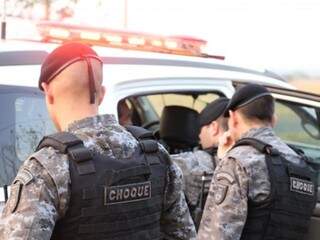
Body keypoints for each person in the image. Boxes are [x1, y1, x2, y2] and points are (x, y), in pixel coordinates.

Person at [0, 42, 196, 240]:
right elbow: (184, 235)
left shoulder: (48, 168)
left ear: (48, 93)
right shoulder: (157, 156)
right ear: (101, 94)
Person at [197, 84, 318, 240]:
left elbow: (216, 235)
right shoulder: (301, 163)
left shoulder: (237, 162)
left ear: (233, 118)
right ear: (274, 120)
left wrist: (225, 162)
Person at [171, 97, 229, 226]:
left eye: (201, 129)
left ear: (214, 127)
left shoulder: (190, 163)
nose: (199, 136)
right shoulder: (250, 160)